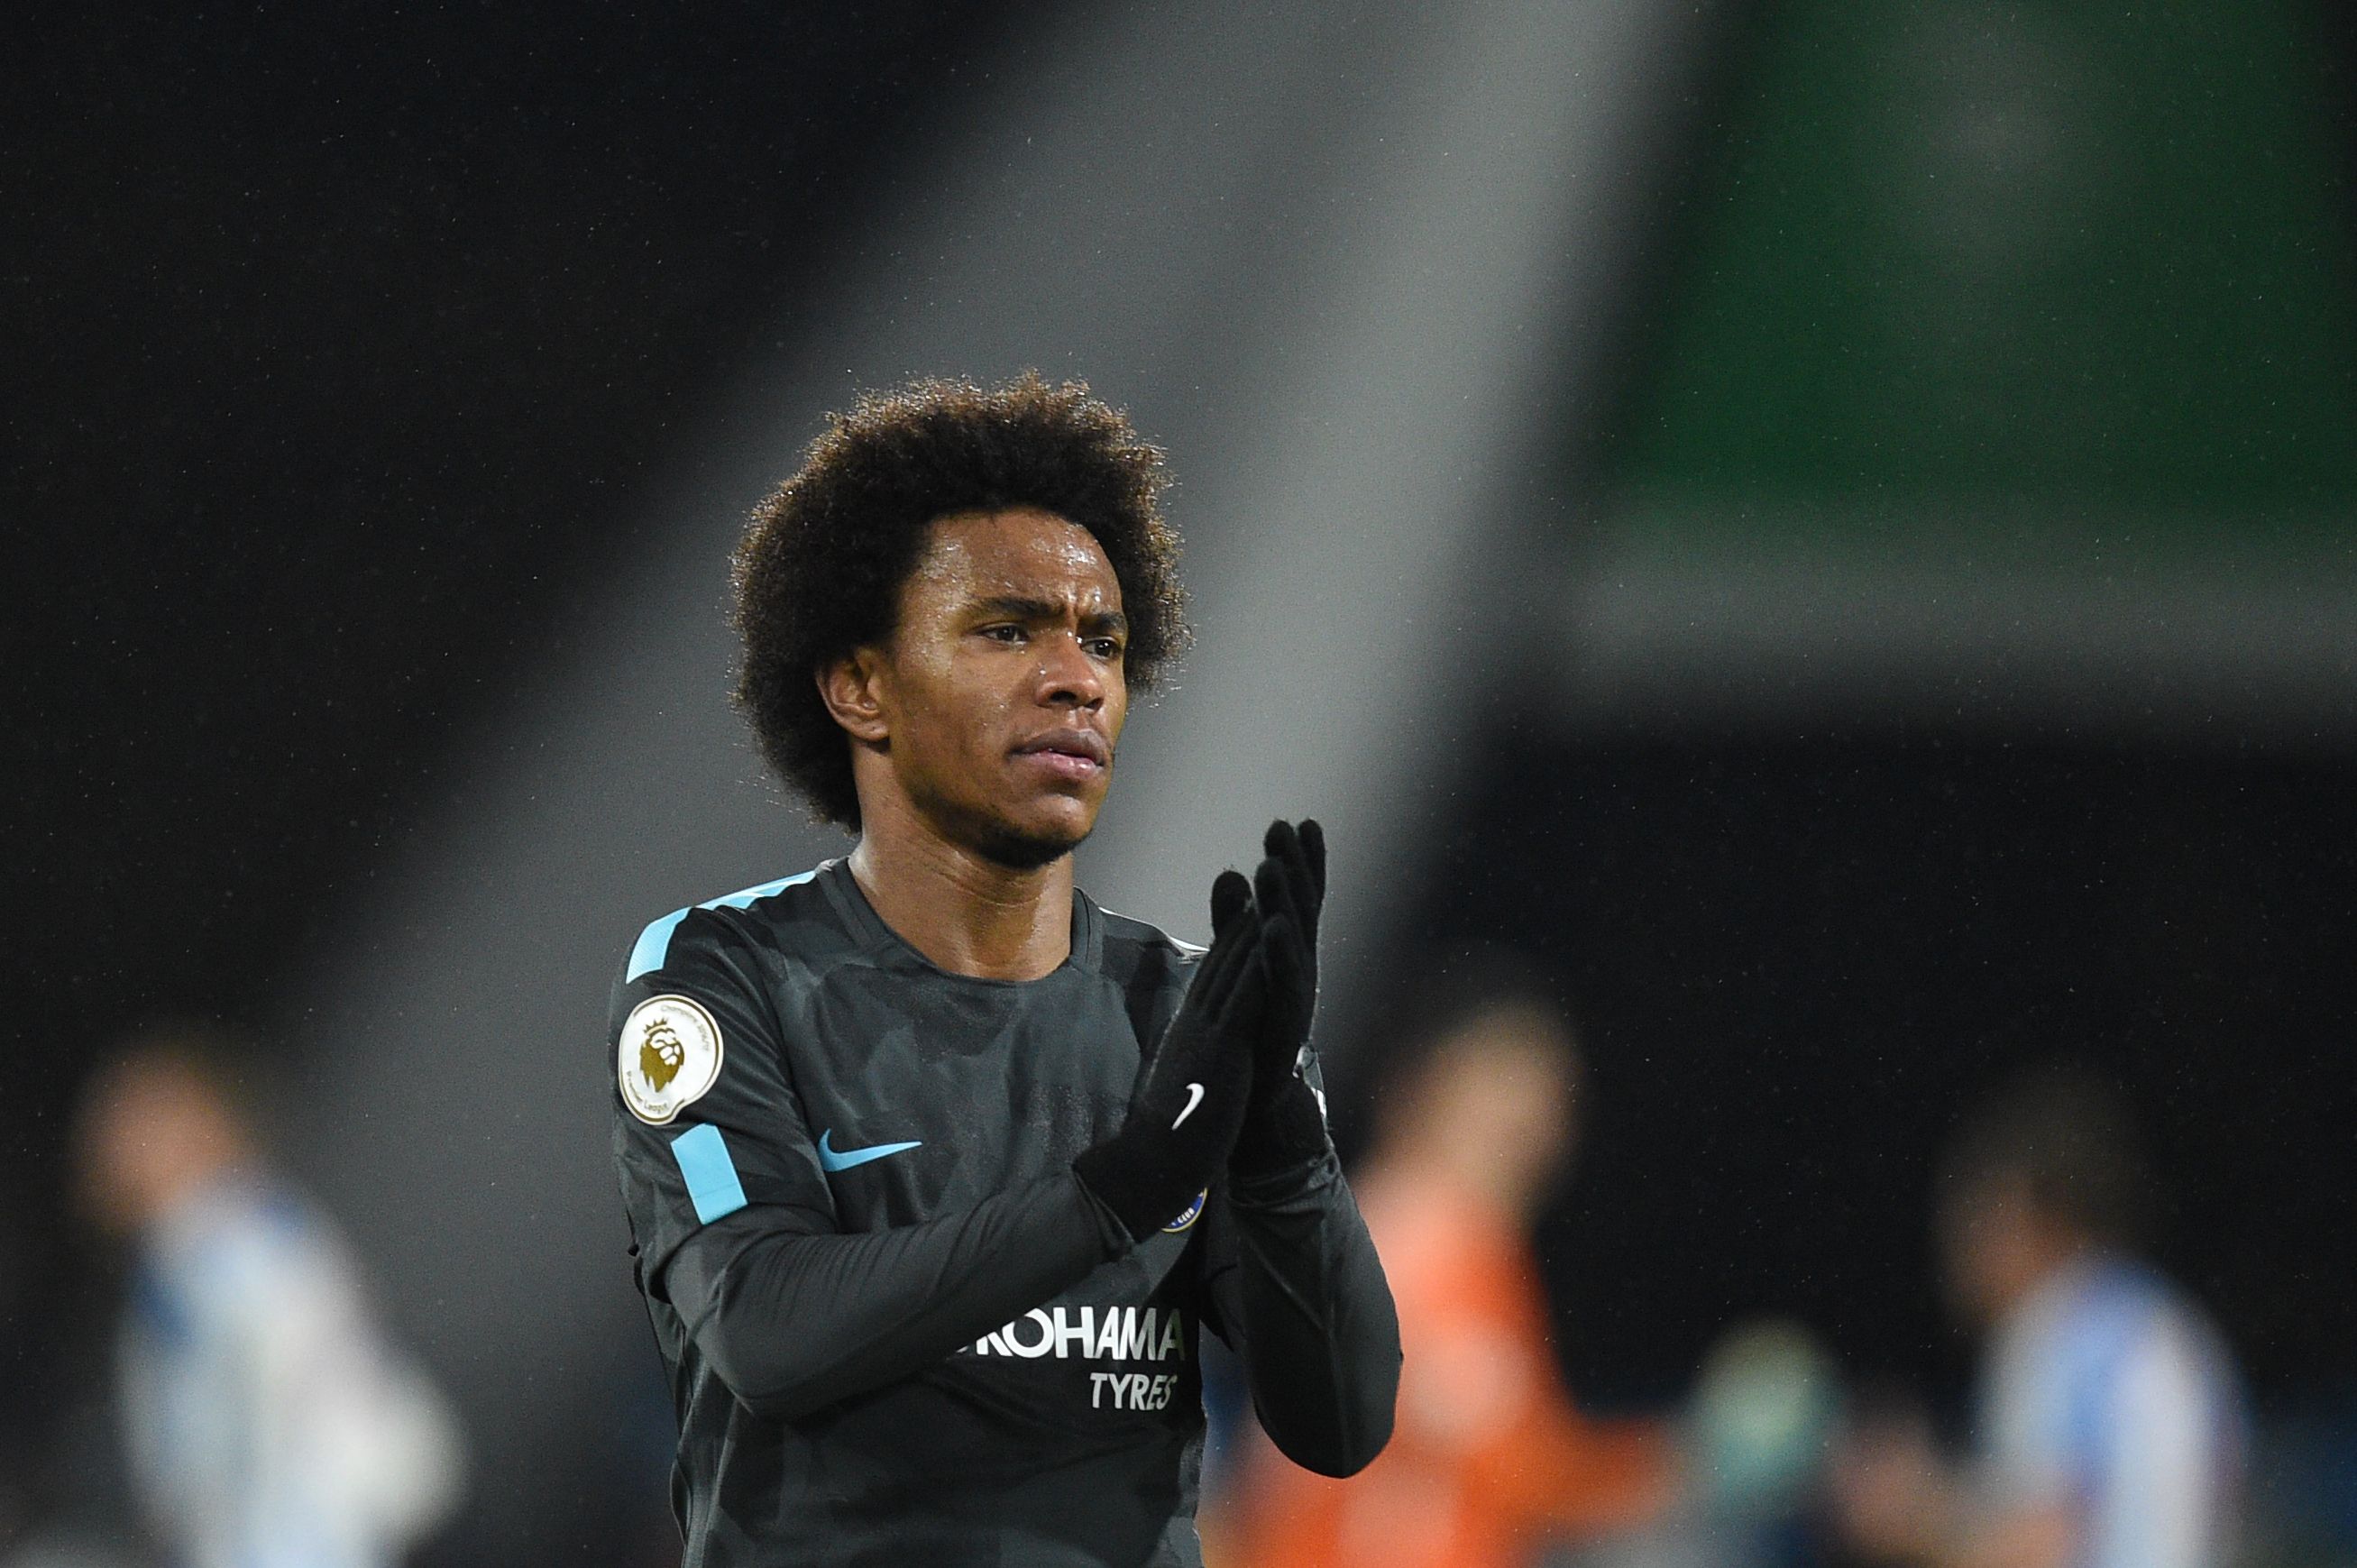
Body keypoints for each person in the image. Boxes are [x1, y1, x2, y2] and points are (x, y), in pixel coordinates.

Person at [609, 372, 1400, 1565]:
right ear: (858, 684)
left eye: (1102, 640)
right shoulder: (723, 974)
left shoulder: (1186, 1009)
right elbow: (767, 1329)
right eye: (1005, 628)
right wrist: (1117, 1192)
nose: (1075, 676)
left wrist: (1282, 1137)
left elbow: (1340, 1426)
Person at [1225, 964, 1674, 1568]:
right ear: (1419, 1088)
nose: (1532, 1127)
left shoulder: (1432, 1239)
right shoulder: (1414, 1246)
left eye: (1549, 1100)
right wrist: (1689, 1463)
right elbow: (1521, 1471)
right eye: (1502, 1087)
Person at [72, 1029, 464, 1568]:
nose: (119, 1143)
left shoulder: (234, 1238)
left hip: (302, 1529)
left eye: (147, 1120)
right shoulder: (184, 1258)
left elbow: (294, 1394)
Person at [1831, 1063, 2246, 1568]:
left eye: (1976, 1214)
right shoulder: (2164, 1320)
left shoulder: (2055, 1330)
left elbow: (2036, 1549)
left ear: (2034, 1215)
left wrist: (1910, 1516)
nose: (1957, 1244)